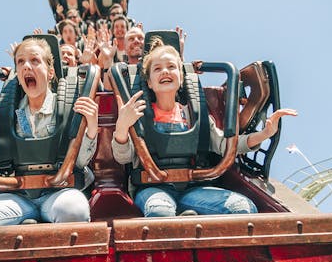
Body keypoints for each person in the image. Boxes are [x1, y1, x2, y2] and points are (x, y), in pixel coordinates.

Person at [111, 38, 297, 217]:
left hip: (195, 187)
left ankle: (187, 218)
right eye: (157, 69)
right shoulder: (137, 113)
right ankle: (181, 219)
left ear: (181, 78)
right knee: (160, 212)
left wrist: (264, 134)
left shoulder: (195, 116)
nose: (165, 72)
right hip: (153, 187)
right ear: (149, 82)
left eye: (171, 67)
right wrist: (122, 126)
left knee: (243, 207)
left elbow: (227, 146)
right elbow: (123, 157)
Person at [0, 38, 99, 228]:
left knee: (72, 210)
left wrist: (91, 128)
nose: (27, 66)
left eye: (35, 60)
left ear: (50, 72)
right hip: (18, 194)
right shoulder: (9, 114)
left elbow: (80, 161)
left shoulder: (68, 105)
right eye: (20, 62)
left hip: (59, 191)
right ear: (17, 74)